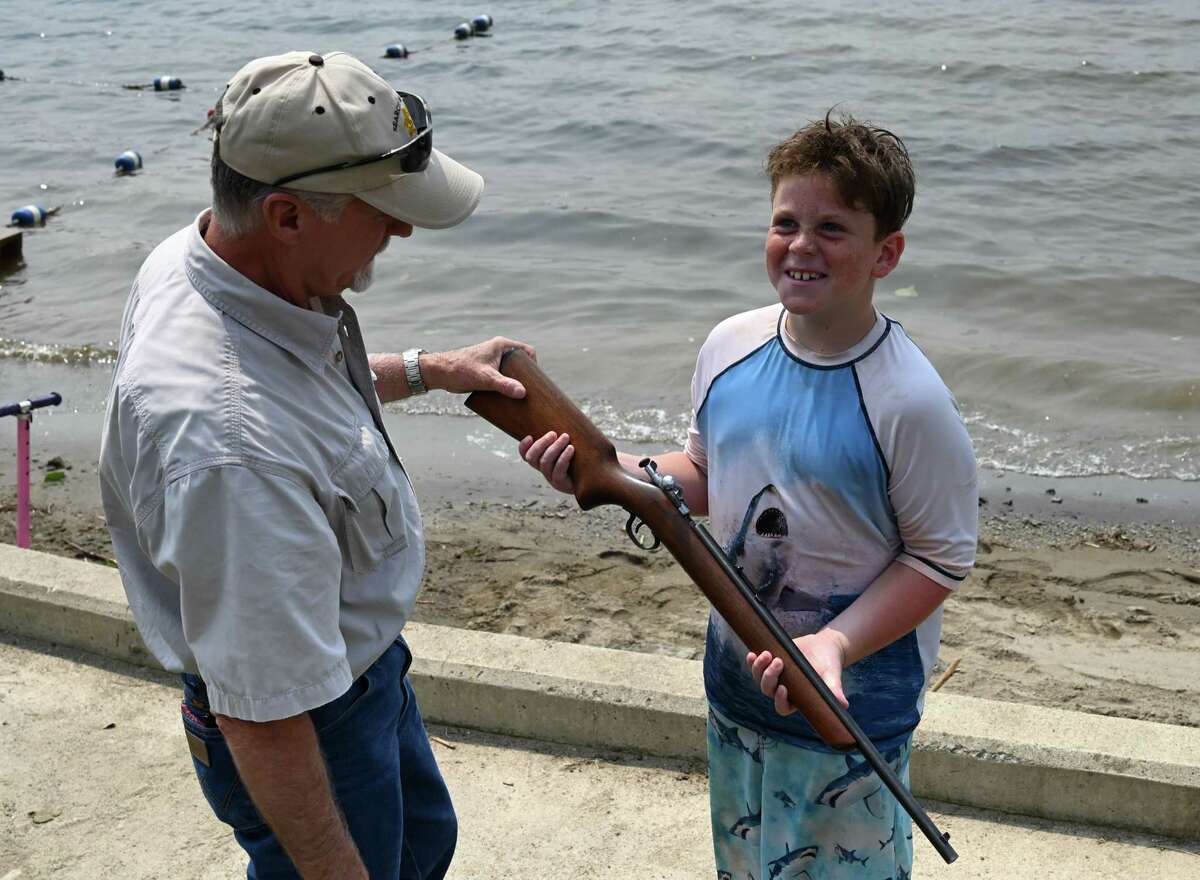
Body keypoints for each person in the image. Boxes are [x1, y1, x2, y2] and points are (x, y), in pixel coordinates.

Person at [98, 50, 534, 879]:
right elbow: (263, 717)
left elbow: (291, 399)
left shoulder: (203, 259)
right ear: (288, 216)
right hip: (309, 723)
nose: (402, 229)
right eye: (383, 208)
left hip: (358, 672)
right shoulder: (228, 451)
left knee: (421, 845)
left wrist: (427, 369)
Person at [520, 112, 977, 879]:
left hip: (850, 711)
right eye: (786, 222)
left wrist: (833, 643)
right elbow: (703, 472)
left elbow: (941, 556)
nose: (802, 245)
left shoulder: (909, 400)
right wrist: (603, 469)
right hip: (736, 688)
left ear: (886, 254)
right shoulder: (730, 344)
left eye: (833, 228)